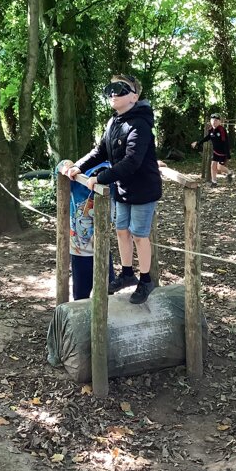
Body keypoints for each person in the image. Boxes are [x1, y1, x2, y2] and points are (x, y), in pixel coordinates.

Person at [64, 74, 162, 305]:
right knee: (121, 231)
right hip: (123, 188)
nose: (114, 94)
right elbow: (100, 151)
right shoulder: (113, 123)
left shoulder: (140, 124)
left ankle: (146, 280)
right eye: (111, 89)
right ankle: (127, 273)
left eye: (121, 89)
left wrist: (100, 178)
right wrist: (79, 166)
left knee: (139, 235)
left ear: (134, 97)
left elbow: (132, 161)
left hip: (143, 189)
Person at [59, 159, 115, 301]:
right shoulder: (76, 183)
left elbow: (132, 167)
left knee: (108, 292)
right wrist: (66, 164)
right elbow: (59, 167)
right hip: (80, 252)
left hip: (103, 250)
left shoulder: (114, 184)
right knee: (81, 295)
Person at [191, 113, 233, 187]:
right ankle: (214, 182)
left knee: (219, 167)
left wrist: (228, 154)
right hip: (216, 152)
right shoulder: (211, 130)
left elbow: (226, 142)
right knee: (213, 166)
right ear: (210, 121)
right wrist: (198, 143)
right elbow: (207, 137)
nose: (214, 121)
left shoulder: (221, 130)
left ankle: (229, 173)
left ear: (220, 122)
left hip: (223, 153)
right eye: (213, 120)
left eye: (216, 120)